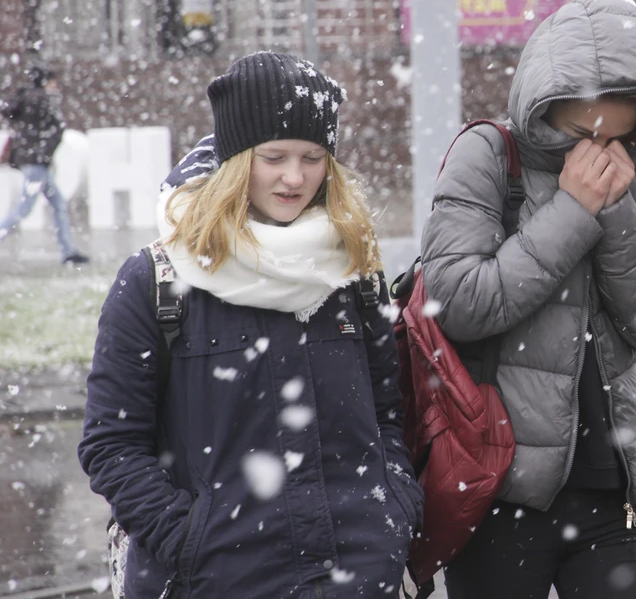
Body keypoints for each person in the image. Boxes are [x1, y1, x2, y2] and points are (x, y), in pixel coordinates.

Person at [78, 52, 423, 599]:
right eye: (274, 156)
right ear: (237, 159)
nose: (295, 177)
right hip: (215, 581)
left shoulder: (353, 270)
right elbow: (112, 445)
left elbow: (386, 415)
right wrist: (192, 541)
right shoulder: (156, 279)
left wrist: (390, 514)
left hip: (356, 575)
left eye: (313, 157)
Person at [419, 0, 636, 598]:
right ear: (544, 107)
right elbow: (461, 304)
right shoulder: (490, 156)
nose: (595, 154)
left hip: (615, 486)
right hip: (501, 487)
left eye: (617, 136)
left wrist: (614, 208)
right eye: (578, 133)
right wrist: (573, 210)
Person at [0, 64, 88, 264]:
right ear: (45, 81)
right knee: (25, 208)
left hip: (30, 161)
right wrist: (46, 152)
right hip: (38, 163)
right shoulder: (44, 100)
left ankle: (69, 252)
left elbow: (9, 113)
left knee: (57, 205)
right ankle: (69, 252)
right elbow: (58, 128)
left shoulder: (23, 98)